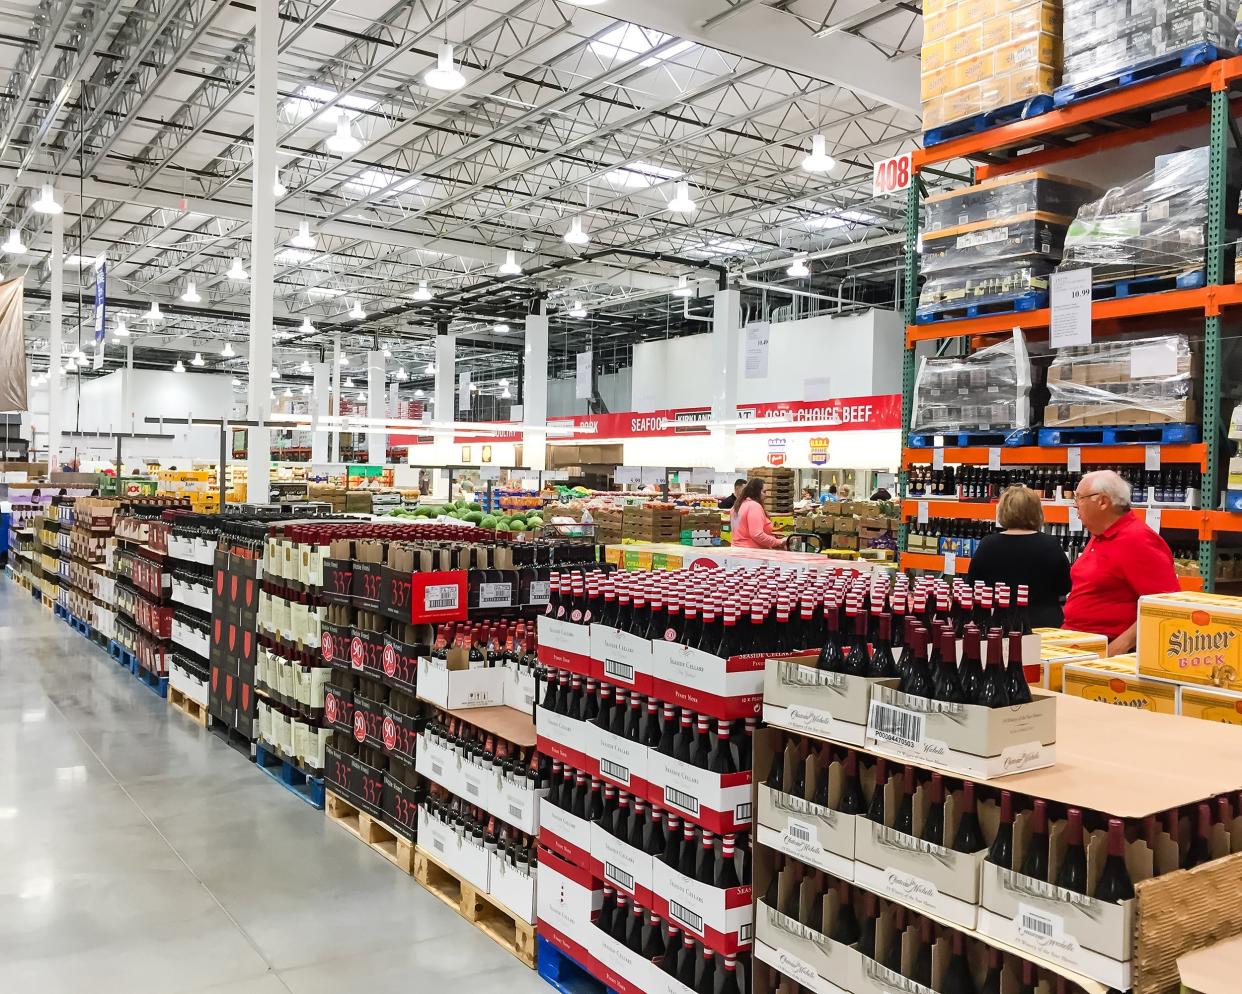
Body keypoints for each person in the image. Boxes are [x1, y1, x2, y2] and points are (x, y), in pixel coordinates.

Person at [1063, 469, 1180, 655]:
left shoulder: (1138, 540)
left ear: (1102, 501)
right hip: (1082, 645)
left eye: (1079, 498)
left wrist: (1119, 646)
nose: (1075, 505)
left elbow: (1165, 604)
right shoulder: (1100, 535)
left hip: (1108, 652)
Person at [967, 485, 1072, 628]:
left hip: (999, 623)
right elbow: (1064, 586)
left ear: (1003, 511)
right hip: (1043, 623)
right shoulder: (1050, 544)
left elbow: (972, 584)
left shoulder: (988, 544)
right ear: (1037, 512)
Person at [732, 478, 787, 549]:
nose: (766, 495)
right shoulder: (754, 506)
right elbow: (757, 535)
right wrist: (778, 542)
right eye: (764, 492)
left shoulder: (737, 506)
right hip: (752, 552)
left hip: (736, 550)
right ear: (756, 492)